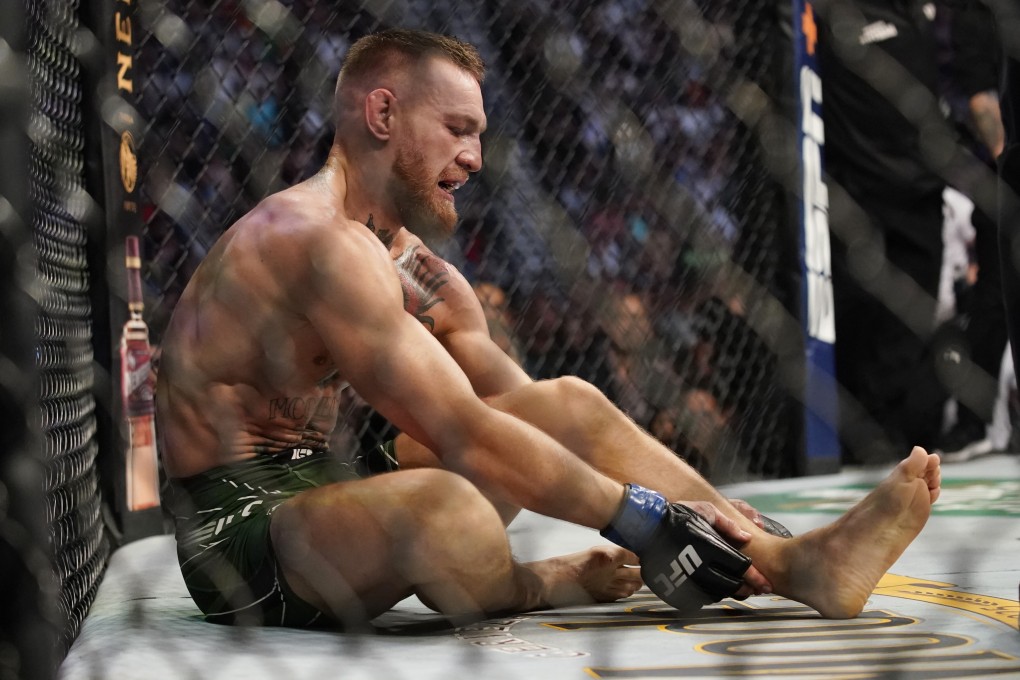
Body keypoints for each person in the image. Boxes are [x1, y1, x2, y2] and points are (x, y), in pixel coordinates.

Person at [155, 28, 942, 630]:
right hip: (245, 531)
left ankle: (786, 559)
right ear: (383, 113)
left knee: (566, 399)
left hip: (333, 478)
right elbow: (466, 435)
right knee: (448, 512)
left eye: (480, 135)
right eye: (457, 128)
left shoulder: (414, 266)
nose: (475, 158)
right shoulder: (312, 240)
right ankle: (540, 583)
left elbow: (526, 414)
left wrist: (699, 526)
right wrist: (644, 520)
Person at [814, 0, 949, 464]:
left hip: (920, 189)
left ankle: (903, 436)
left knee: (913, 315)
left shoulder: (920, 15)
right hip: (860, 192)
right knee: (862, 311)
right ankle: (867, 437)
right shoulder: (833, 16)